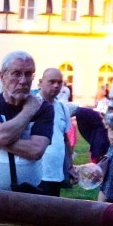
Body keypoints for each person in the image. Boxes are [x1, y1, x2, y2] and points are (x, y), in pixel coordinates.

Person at [0, 51, 53, 190]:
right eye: (16, 73)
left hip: (27, 195)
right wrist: (29, 110)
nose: (23, 80)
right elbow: (2, 136)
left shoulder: (44, 108)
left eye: (29, 74)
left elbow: (36, 151)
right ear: (2, 76)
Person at [37, 68, 74, 196]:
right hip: (36, 172)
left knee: (51, 212)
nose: (56, 85)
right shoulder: (31, 105)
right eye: (51, 81)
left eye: (59, 82)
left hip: (55, 173)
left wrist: (70, 166)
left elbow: (65, 139)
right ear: (41, 82)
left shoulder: (63, 108)